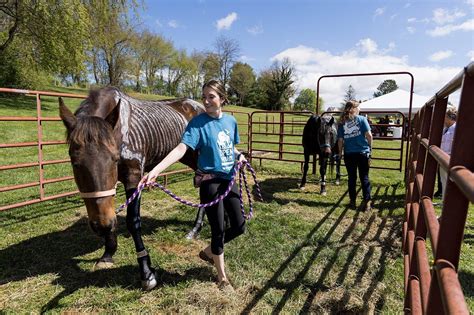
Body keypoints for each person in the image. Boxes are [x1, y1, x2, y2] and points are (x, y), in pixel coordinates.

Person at [139, 80, 246, 291]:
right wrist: (156, 170)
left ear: (222, 99)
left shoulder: (231, 121)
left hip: (228, 178)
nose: (206, 101)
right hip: (210, 181)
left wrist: (239, 155)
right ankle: (222, 278)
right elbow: (181, 149)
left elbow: (228, 146)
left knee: (239, 225)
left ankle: (208, 252)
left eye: (211, 97)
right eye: (204, 96)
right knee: (218, 229)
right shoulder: (197, 124)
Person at [337, 100, 373, 211]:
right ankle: (367, 203)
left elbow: (340, 140)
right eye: (359, 107)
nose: (360, 109)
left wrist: (340, 153)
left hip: (349, 154)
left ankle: (352, 202)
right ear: (354, 108)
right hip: (363, 153)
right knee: (364, 178)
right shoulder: (362, 119)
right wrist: (370, 150)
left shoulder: (342, 122)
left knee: (351, 178)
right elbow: (369, 136)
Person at [439, 105, 457, 199]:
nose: (442, 120)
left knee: (451, 183)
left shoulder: (456, 129)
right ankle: (444, 205)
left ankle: (449, 207)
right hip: (444, 159)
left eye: (444, 117)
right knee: (444, 181)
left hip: (451, 159)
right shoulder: (445, 129)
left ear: (448, 117)